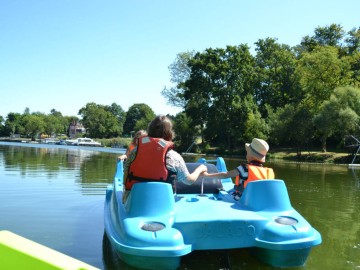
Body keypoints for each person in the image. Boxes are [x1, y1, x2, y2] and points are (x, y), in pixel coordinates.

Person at [122, 115, 208, 203]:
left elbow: (126, 174)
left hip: (134, 203)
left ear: (149, 131)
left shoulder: (135, 151)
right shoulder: (174, 157)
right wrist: (200, 169)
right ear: (170, 133)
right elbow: (189, 181)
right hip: (162, 204)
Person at [203, 138, 274, 200]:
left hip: (243, 200)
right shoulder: (268, 171)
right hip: (258, 201)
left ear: (250, 155)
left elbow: (225, 175)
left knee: (222, 195)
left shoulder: (244, 168)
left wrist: (207, 175)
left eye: (247, 153)